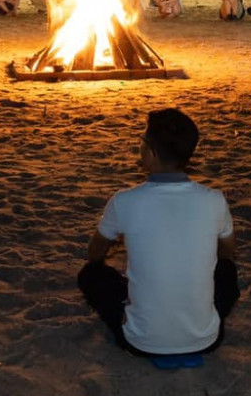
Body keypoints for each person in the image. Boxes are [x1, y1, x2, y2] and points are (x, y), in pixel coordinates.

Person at [78, 109, 238, 365]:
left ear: (151, 153)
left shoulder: (125, 201)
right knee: (227, 272)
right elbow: (227, 252)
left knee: (91, 275)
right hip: (207, 339)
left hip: (141, 343)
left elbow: (94, 253)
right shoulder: (214, 200)